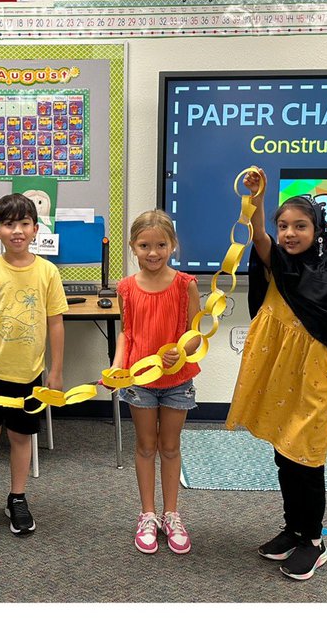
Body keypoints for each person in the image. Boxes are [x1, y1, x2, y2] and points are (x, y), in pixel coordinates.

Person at [227, 170, 327, 581]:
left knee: (307, 458)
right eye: (283, 226)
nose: (289, 233)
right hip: (283, 372)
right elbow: (258, 238)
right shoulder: (279, 262)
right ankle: (294, 529)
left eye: (300, 226)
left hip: (315, 377)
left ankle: (314, 542)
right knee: (284, 453)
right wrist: (258, 198)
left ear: (317, 230)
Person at [0, 193, 68, 538]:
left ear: (36, 229)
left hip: (28, 375)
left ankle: (17, 497)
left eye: (24, 223)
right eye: (9, 224)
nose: (17, 230)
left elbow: (56, 324)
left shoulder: (47, 272)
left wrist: (55, 371)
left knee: (22, 438)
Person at [108, 210, 201, 555]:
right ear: (133, 246)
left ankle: (171, 514)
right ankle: (147, 514)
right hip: (140, 381)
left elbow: (195, 334)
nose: (153, 252)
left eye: (161, 245)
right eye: (145, 245)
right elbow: (126, 332)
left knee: (170, 447)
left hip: (177, 381)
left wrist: (182, 351)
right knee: (146, 446)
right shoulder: (126, 288)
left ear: (172, 245)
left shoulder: (185, 285)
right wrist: (117, 367)